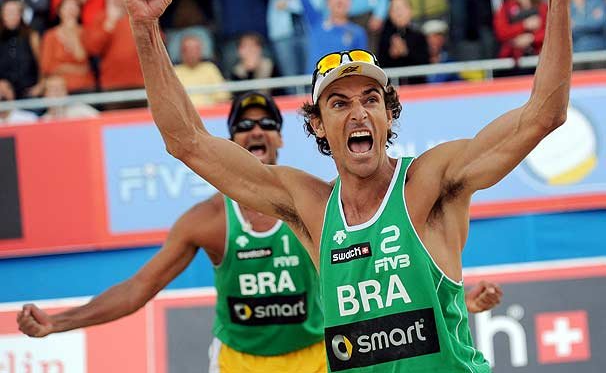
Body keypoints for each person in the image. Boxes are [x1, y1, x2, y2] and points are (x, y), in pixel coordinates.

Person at [120, 0, 567, 371]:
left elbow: (543, 113)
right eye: (339, 103)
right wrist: (146, 30)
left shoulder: (430, 181)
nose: (359, 112)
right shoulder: (310, 206)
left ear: (389, 115)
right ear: (317, 124)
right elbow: (187, 141)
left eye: (371, 99)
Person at [16, 91, 503, 372]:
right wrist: (59, 323)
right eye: (244, 125)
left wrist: (450, 308)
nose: (255, 131)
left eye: (267, 123)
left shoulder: (314, 206)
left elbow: (395, 261)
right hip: (243, 362)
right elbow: (140, 287)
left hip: (316, 355)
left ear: (281, 137)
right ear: (230, 141)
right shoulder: (209, 221)